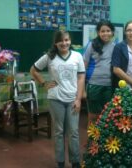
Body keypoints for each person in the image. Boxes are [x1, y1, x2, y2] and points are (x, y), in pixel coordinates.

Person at [30, 30, 85, 168]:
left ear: (70, 41)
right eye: (60, 40)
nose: (64, 43)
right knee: (59, 132)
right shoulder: (49, 57)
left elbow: (81, 77)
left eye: (66, 40)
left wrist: (78, 99)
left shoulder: (77, 56)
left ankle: (75, 162)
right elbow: (33, 70)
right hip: (56, 99)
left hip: (72, 99)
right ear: (55, 43)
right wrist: (44, 83)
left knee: (73, 132)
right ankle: (60, 162)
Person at [84, 20, 115, 123]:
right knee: (93, 115)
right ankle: (91, 138)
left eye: (108, 31)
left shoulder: (115, 46)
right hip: (94, 85)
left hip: (109, 85)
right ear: (98, 32)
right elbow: (84, 66)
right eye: (102, 31)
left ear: (112, 32)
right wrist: (83, 88)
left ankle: (103, 138)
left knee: (107, 114)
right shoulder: (92, 45)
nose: (105, 33)